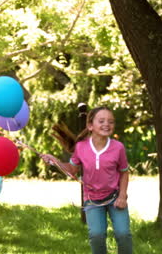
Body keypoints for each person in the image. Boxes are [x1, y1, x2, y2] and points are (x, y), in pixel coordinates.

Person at [41, 106, 133, 254]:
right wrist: (55, 161)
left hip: (115, 198)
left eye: (110, 121)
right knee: (96, 235)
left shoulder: (118, 147)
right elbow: (72, 169)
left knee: (123, 234)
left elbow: (124, 173)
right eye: (101, 121)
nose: (106, 124)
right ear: (90, 126)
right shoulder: (81, 147)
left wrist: (122, 195)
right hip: (92, 200)